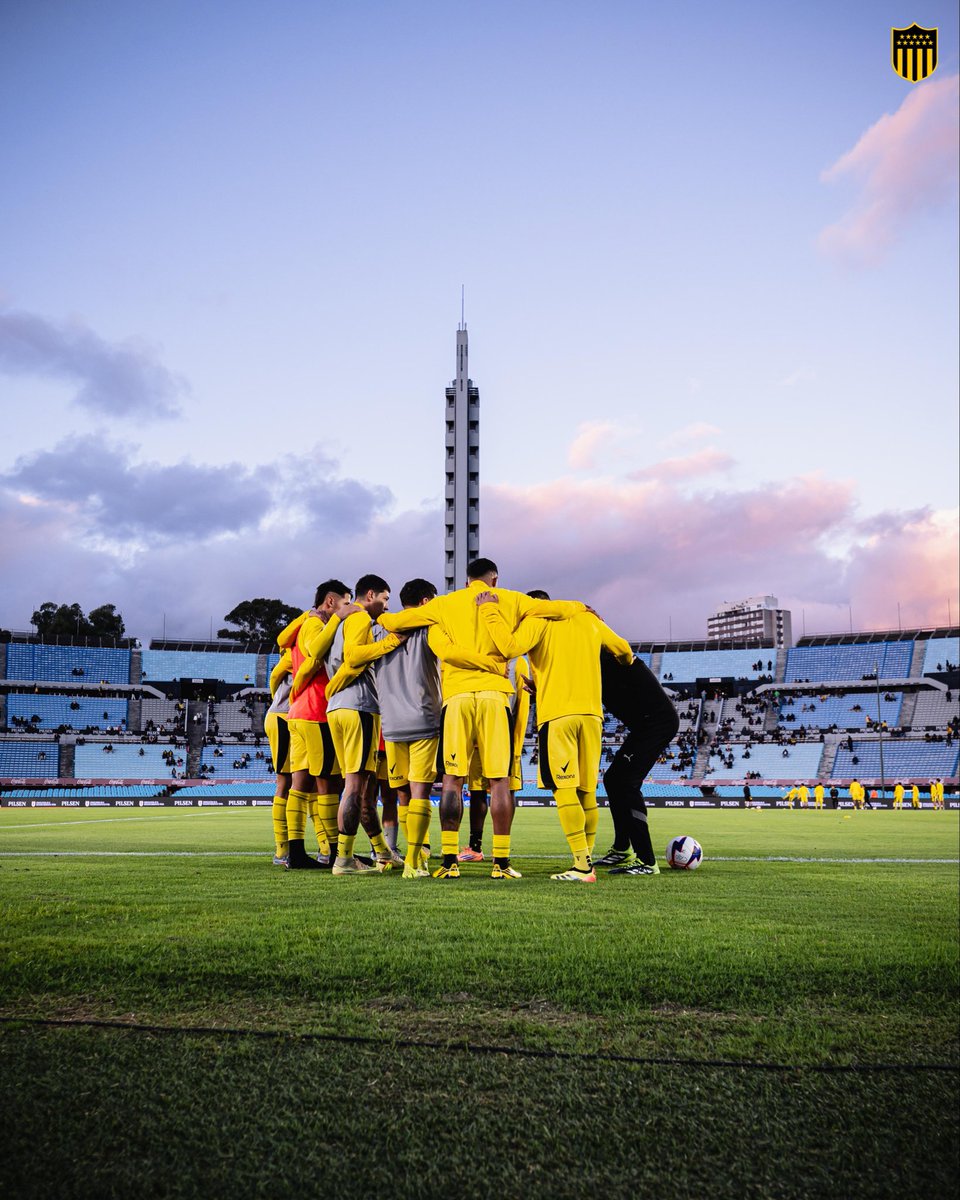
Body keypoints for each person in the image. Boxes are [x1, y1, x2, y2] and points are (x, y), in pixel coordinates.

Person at [377, 557, 585, 880]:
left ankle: (449, 861)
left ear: (466, 582)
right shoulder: (512, 599)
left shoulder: (445, 604)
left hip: (456, 700)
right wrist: (582, 608)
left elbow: (394, 623)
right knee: (499, 781)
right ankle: (500, 864)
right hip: (494, 697)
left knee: (452, 781)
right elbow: (559, 610)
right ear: (495, 580)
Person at [477, 588, 634, 882]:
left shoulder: (536, 621)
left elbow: (508, 647)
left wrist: (489, 611)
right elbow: (624, 650)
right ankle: (585, 859)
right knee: (588, 792)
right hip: (592, 715)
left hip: (557, 716)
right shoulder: (588, 620)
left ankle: (582, 866)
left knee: (565, 790)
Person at [324, 574, 405, 875]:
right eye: (384, 599)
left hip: (338, 708)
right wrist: (392, 642)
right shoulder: (358, 617)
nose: (386, 606)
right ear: (369, 595)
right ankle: (344, 860)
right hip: (359, 706)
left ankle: (383, 852)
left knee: (360, 789)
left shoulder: (339, 624)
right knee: (356, 789)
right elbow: (355, 655)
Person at [278, 580, 353, 869]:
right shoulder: (315, 623)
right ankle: (335, 852)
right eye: (345, 602)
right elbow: (314, 653)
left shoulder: (307, 623)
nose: (348, 608)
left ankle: (296, 852)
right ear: (331, 601)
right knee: (327, 784)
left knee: (301, 785)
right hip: (315, 711)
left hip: (301, 712)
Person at [591, 650, 679, 874]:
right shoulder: (595, 662)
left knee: (627, 783)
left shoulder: (606, 656)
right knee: (613, 779)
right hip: (645, 725)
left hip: (657, 723)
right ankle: (623, 849)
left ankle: (647, 861)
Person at [265, 647, 295, 864]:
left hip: (294, 717)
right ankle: (282, 850)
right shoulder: (292, 655)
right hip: (283, 717)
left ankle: (294, 849)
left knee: (307, 783)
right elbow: (274, 678)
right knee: (285, 782)